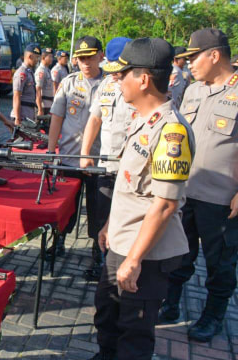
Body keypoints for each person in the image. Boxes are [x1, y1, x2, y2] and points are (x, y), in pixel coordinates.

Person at [91, 37, 194, 360]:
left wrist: (134, 260)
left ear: (144, 79)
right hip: (121, 242)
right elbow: (129, 187)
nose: (116, 81)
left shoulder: (171, 132)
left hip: (145, 255)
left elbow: (164, 205)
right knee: (107, 315)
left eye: (123, 75)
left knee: (133, 334)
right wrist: (109, 224)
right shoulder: (141, 120)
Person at [158, 28, 238, 343]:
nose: (189, 63)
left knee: (220, 263)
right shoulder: (193, 90)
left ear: (214, 55)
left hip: (221, 198)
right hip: (187, 190)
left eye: (194, 57)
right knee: (179, 252)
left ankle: (213, 316)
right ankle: (171, 303)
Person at [79, 37, 134, 281]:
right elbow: (94, 119)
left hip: (130, 170)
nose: (112, 72)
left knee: (124, 220)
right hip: (105, 166)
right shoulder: (106, 86)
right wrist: (85, 153)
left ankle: (119, 263)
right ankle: (97, 259)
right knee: (99, 213)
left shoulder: (141, 88)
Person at [47, 36, 104, 258]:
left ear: (100, 55)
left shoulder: (110, 86)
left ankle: (97, 252)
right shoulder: (69, 83)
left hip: (98, 159)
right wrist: (51, 152)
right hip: (69, 157)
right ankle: (58, 241)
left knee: (97, 208)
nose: (86, 63)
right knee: (64, 206)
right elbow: (56, 118)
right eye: (81, 59)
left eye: (90, 57)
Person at [10, 43, 40, 125]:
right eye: (36, 57)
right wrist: (17, 118)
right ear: (30, 56)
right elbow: (16, 96)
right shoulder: (22, 73)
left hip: (28, 114)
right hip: (22, 116)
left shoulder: (29, 72)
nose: (37, 60)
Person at [35, 47, 54, 116]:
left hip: (48, 104)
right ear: (43, 57)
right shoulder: (41, 71)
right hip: (43, 105)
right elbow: (38, 90)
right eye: (50, 57)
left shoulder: (47, 70)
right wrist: (40, 109)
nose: (52, 59)